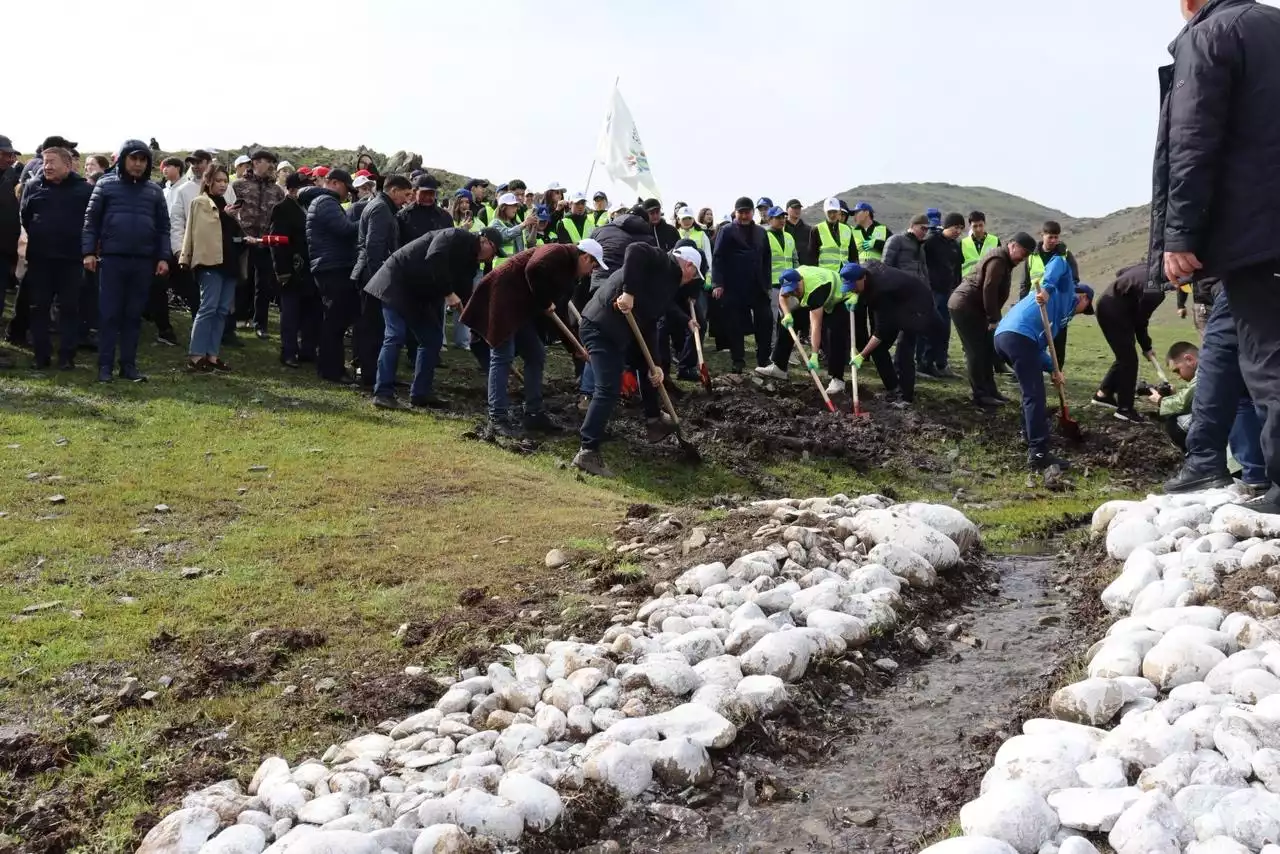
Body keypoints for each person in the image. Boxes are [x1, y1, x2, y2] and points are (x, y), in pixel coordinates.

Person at [1151, 0, 1280, 514]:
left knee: (1269, 357)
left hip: (1257, 230)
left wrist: (1179, 234)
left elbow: (1192, 139)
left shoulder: (1209, 35)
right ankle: (1210, 460)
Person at [573, 244, 702, 477]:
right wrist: (629, 292)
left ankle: (653, 420)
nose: (693, 280)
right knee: (608, 388)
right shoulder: (663, 262)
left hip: (618, 331)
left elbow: (651, 323)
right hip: (601, 326)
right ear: (689, 266)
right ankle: (587, 451)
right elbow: (635, 250)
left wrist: (656, 364)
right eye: (695, 274)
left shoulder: (668, 284)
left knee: (646, 368)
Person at [463, 239, 606, 436]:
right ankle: (497, 418)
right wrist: (545, 301)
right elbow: (534, 268)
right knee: (502, 356)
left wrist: (576, 349)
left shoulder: (568, 276)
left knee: (536, 353)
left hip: (520, 309)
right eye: (593, 265)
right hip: (502, 298)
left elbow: (560, 315)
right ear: (585, 257)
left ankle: (533, 413)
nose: (592, 271)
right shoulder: (558, 252)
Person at [363, 226, 501, 409]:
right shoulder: (455, 236)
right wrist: (448, 293)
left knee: (432, 339)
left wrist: (476, 325)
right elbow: (435, 257)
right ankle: (382, 393)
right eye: (494, 251)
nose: (492, 258)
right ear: (484, 241)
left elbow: (466, 296)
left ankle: (420, 393)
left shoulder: (471, 264)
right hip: (397, 283)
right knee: (395, 336)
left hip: (418, 295)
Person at [993, 256, 1095, 471]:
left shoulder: (1056, 320)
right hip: (1018, 336)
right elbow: (1059, 261)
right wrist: (1048, 288)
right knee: (1035, 395)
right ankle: (1039, 453)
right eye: (1086, 308)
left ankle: (1028, 435)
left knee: (1030, 392)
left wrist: (1054, 370)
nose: (1082, 312)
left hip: (1005, 338)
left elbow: (1036, 351)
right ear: (1084, 298)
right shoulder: (1064, 291)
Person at [82, 139, 171, 383]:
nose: (138, 164)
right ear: (123, 159)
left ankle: (128, 366)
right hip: (111, 260)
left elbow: (164, 228)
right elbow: (91, 222)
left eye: (143, 160)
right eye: (133, 158)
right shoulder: (105, 185)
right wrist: (88, 252)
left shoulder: (154, 190)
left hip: (143, 262)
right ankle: (105, 366)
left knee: (133, 316)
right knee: (109, 315)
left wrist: (163, 257)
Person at [19, 146, 93, 370]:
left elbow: (92, 222)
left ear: (68, 165)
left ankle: (67, 357)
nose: (46, 166)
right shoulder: (33, 186)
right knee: (38, 308)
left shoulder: (84, 190)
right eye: (44, 161)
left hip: (70, 260)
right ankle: (41, 356)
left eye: (52, 162)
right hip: (40, 260)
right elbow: (25, 216)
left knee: (69, 308)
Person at [948, 233, 1036, 407]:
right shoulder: (998, 260)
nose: (1024, 258)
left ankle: (991, 390)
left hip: (976, 309)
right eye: (1023, 253)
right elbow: (989, 289)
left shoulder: (1005, 260)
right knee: (976, 351)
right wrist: (993, 319)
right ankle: (980, 395)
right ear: (1012, 245)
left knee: (988, 350)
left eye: (1027, 256)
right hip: (965, 307)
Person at [841, 260, 941, 408]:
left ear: (863, 278)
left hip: (917, 306)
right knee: (877, 350)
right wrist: (856, 295)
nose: (852, 289)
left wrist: (862, 355)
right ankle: (893, 388)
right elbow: (871, 264)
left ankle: (905, 398)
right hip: (898, 302)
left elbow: (881, 332)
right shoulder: (865, 269)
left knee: (903, 352)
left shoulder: (881, 291)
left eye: (854, 286)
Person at [179, 166, 245, 373]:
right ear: (209, 182)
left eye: (225, 181)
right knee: (208, 308)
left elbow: (230, 236)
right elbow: (202, 231)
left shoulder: (227, 206)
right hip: (209, 263)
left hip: (229, 264)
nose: (223, 184)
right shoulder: (200, 203)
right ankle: (196, 355)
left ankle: (212, 356)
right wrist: (225, 216)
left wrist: (244, 238)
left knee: (222, 311)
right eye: (218, 180)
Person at [352, 174, 412, 390]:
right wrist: (382, 280)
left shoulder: (382, 207)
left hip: (372, 274)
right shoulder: (380, 209)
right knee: (372, 327)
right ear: (394, 190)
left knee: (375, 326)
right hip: (373, 276)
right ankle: (370, 375)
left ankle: (376, 373)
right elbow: (374, 247)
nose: (406, 200)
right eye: (405, 195)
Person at [1091, 262, 1166, 422]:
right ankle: (1125, 409)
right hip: (1115, 313)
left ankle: (1104, 394)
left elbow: (1121, 272)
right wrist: (1146, 346)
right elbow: (1141, 321)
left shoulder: (1147, 266)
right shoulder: (1155, 292)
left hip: (1108, 304)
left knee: (1124, 356)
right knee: (1129, 361)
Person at [307, 168, 360, 383]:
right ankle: (331, 369)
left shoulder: (321, 202)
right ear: (336, 183)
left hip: (328, 264)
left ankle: (331, 367)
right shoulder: (326, 203)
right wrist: (367, 220)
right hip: (332, 266)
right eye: (348, 189)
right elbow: (344, 229)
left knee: (334, 319)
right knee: (335, 321)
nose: (348, 195)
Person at [755, 265, 847, 384]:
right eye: (791, 290)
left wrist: (814, 355)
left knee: (833, 334)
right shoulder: (789, 279)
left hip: (839, 298)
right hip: (820, 296)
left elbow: (815, 326)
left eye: (796, 288)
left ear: (801, 280)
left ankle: (837, 379)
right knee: (788, 323)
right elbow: (782, 296)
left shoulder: (815, 290)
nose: (794, 292)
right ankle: (779, 367)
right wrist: (787, 314)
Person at [712, 197, 773, 374]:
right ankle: (738, 359)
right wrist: (718, 283)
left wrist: (767, 283)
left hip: (757, 285)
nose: (744, 215)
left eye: (747, 212)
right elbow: (718, 258)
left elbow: (766, 259)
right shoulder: (727, 231)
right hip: (734, 286)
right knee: (734, 324)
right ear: (735, 212)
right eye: (741, 212)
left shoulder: (761, 232)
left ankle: (763, 358)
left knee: (765, 321)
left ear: (753, 212)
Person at [269, 172, 321, 368]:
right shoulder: (282, 209)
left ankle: (307, 350)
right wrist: (282, 271)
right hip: (291, 268)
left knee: (311, 311)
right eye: (303, 186)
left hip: (311, 268)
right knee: (290, 314)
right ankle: (288, 352)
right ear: (291, 189)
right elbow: (277, 242)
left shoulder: (309, 207)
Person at [918, 212, 966, 378]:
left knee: (945, 329)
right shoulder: (931, 242)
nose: (958, 231)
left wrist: (957, 288)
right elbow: (922, 263)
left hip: (948, 292)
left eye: (961, 228)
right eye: (955, 227)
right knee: (932, 328)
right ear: (946, 226)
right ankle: (924, 364)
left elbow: (957, 268)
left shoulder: (955, 245)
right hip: (933, 292)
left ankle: (941, 363)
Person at [0, 135, 22, 365]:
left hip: (4, 252)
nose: (11, 158)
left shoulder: (11, 178)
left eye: (12, 154)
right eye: (6, 154)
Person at [883, 214, 930, 283]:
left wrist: (927, 290)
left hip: (916, 289)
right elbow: (885, 266)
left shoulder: (920, 247)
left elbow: (924, 272)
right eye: (922, 228)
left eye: (927, 229)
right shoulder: (897, 240)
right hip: (899, 287)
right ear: (912, 226)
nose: (925, 232)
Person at [959, 211, 999, 278]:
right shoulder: (963, 243)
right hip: (968, 282)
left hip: (988, 281)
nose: (978, 229)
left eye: (981, 225)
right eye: (975, 226)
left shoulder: (995, 241)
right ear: (970, 226)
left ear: (985, 224)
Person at [784, 199, 814, 266]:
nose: (797, 210)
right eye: (794, 208)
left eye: (799, 208)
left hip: (806, 269)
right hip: (788, 269)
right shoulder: (783, 230)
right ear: (787, 210)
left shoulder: (809, 230)